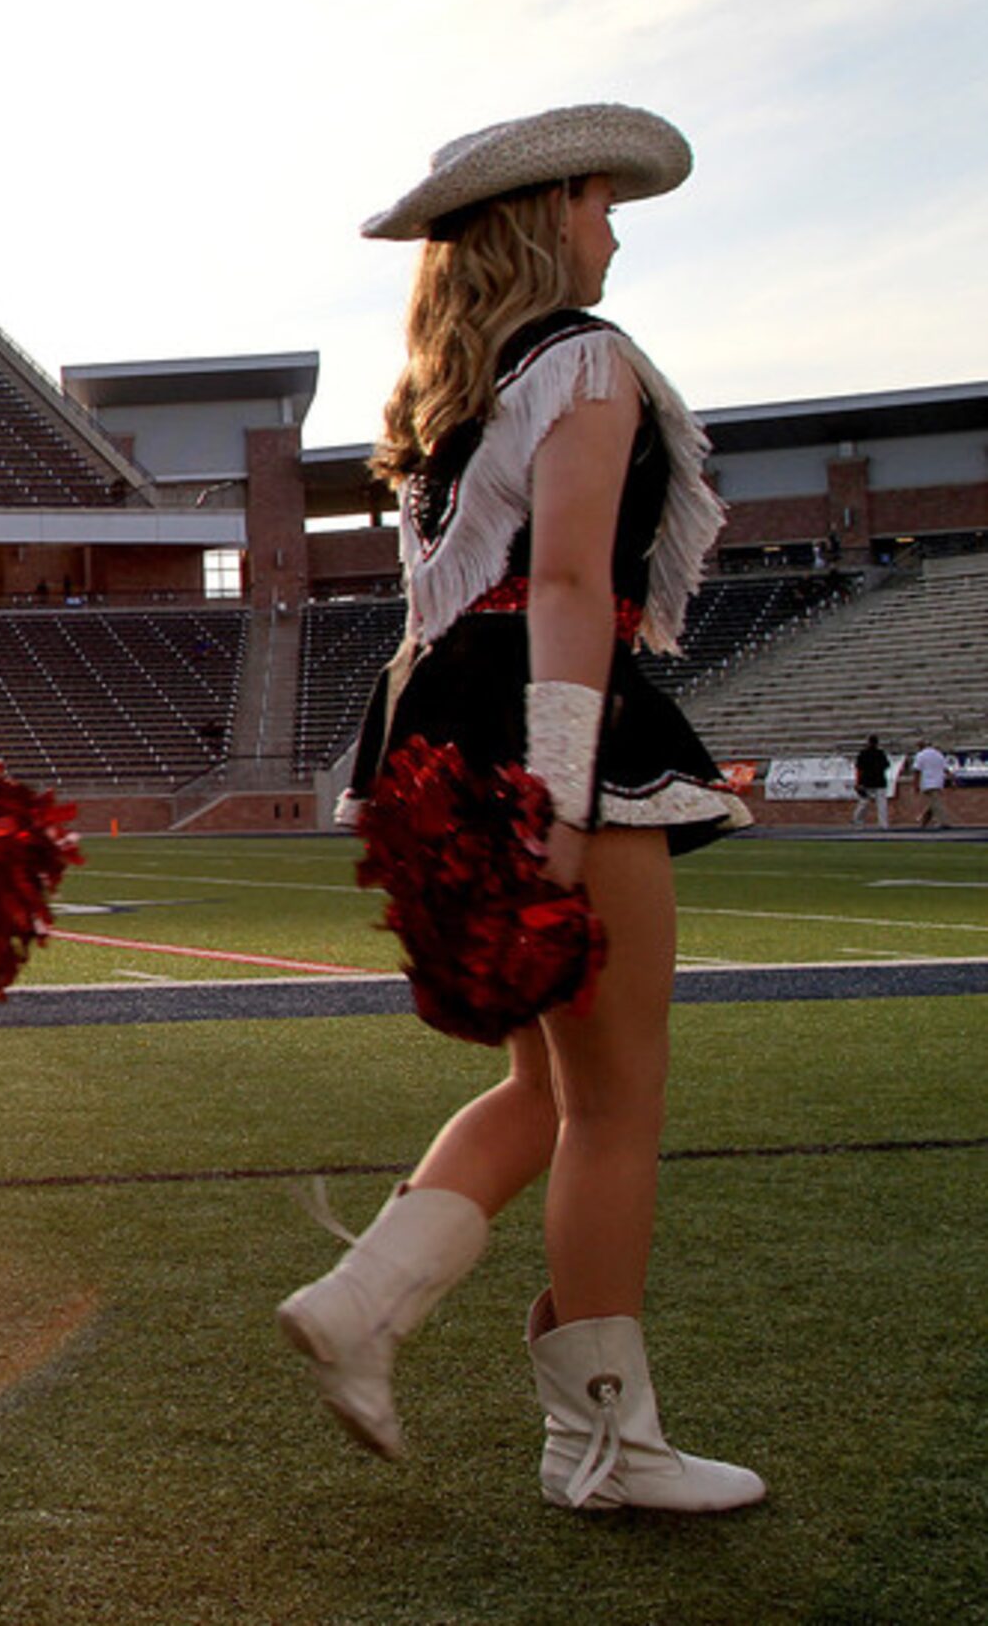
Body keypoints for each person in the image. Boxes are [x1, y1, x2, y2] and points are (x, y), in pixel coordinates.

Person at [286, 104, 762, 1512]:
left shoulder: (454, 393)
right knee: (614, 1099)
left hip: (438, 720)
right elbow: (562, 586)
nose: (612, 228)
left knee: (547, 1083)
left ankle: (369, 1301)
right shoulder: (582, 361)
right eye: (599, 203)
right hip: (541, 717)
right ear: (545, 214)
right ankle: (607, 1440)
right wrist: (557, 786)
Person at [852, 735, 892, 828]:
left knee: (864, 804)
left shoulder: (864, 754)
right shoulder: (880, 754)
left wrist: (858, 782)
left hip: (867, 782)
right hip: (878, 781)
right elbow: (886, 766)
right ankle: (883, 824)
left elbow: (858, 769)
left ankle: (858, 821)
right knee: (881, 805)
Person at [911, 737, 952, 827]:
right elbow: (946, 769)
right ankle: (924, 821)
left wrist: (915, 785)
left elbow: (917, 771)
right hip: (939, 781)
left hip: (928, 782)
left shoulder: (921, 755)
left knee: (936, 803)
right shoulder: (938, 754)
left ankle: (944, 822)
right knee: (933, 802)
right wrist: (951, 779)